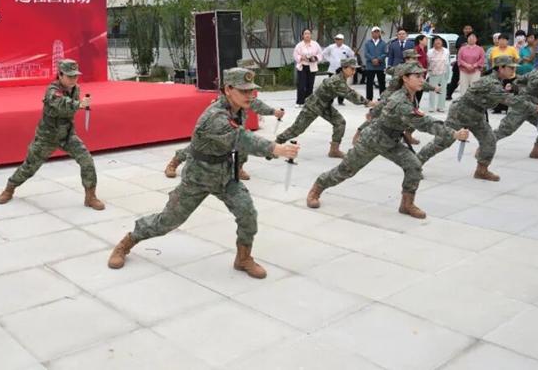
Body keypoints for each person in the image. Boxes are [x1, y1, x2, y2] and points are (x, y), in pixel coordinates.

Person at [107, 68, 300, 278]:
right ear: (228, 89)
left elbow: (249, 121)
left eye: (251, 90)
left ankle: (243, 258)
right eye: (244, 91)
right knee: (168, 221)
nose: (249, 95)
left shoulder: (239, 106)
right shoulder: (214, 117)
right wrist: (275, 149)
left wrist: (273, 128)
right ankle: (127, 242)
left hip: (225, 175)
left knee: (247, 213)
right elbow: (242, 138)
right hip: (198, 177)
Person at [306, 63, 468, 218]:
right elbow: (425, 123)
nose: (421, 80)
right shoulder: (401, 101)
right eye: (417, 76)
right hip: (373, 140)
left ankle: (407, 204)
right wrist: (453, 134)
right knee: (346, 170)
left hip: (392, 141)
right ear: (405, 78)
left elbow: (385, 105)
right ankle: (317, 188)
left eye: (422, 76)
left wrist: (373, 113)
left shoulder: (409, 95)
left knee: (414, 166)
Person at [417, 56, 538, 181]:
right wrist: (536, 108)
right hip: (461, 112)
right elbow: (510, 100)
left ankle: (481, 170)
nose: (513, 70)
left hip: (477, 114)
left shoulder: (497, 80)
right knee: (443, 141)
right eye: (511, 68)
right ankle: (415, 165)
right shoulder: (491, 83)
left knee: (489, 140)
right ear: (501, 68)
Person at [0, 59, 104, 209]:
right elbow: (60, 103)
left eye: (75, 76)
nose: (73, 79)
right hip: (47, 137)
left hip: (67, 135)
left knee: (86, 160)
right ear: (60, 75)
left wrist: (79, 104)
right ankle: (10, 188)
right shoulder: (52, 90)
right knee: (29, 167)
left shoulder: (75, 88)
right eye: (70, 76)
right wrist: (79, 104)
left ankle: (90, 196)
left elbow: (69, 109)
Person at [276, 58, 376, 158]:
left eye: (355, 69)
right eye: (352, 69)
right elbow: (350, 94)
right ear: (344, 68)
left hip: (324, 105)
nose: (354, 72)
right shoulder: (337, 80)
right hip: (313, 105)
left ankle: (334, 150)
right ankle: (276, 144)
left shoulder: (341, 78)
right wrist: (368, 102)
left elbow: (349, 92)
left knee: (340, 122)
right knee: (297, 129)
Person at [164, 99, 285, 180]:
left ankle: (238, 168)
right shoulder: (222, 103)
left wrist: (273, 111)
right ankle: (175, 161)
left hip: (237, 128)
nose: (246, 93)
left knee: (244, 143)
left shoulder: (244, 96)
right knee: (201, 148)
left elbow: (256, 104)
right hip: (218, 131)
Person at [486, 33, 520, 113]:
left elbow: (517, 60)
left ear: (507, 41)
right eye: (500, 40)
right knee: (498, 90)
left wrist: (511, 69)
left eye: (504, 40)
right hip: (497, 74)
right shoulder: (494, 50)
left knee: (509, 91)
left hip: (509, 75)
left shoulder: (512, 49)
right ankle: (497, 108)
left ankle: (508, 108)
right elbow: (490, 61)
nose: (502, 41)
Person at [321, 34, 356, 104]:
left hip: (342, 70)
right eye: (337, 39)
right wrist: (329, 60)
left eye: (340, 39)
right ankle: (330, 100)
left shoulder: (346, 48)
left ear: (342, 40)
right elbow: (324, 53)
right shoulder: (331, 47)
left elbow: (352, 55)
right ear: (335, 40)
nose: (338, 41)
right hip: (332, 69)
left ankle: (340, 101)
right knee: (331, 86)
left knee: (342, 86)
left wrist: (348, 64)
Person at [293, 29, 323, 107]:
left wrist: (315, 58)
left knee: (310, 85)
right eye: (305, 34)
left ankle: (308, 101)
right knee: (301, 85)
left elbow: (320, 54)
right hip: (302, 66)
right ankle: (300, 102)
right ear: (303, 35)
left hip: (312, 67)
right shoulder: (299, 45)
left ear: (311, 35)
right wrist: (301, 57)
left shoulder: (315, 44)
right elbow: (295, 55)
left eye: (309, 33)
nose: (307, 35)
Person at [447, 25, 473, 99]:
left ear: (472, 30)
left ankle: (470, 97)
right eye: (466, 29)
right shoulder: (460, 38)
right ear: (463, 30)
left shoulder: (475, 38)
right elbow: (458, 48)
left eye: (469, 29)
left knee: (471, 81)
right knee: (454, 80)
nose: (467, 30)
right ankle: (448, 94)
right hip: (460, 63)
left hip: (471, 64)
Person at [363, 26, 388, 101]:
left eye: (377, 32)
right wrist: (373, 59)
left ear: (379, 33)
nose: (376, 33)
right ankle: (369, 99)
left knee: (382, 83)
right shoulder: (367, 43)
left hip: (380, 66)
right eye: (374, 32)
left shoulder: (383, 43)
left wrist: (378, 59)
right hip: (370, 66)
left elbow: (385, 53)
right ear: (372, 33)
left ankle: (382, 99)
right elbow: (366, 53)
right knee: (369, 83)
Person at [426, 36, 450, 112]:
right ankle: (431, 107)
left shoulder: (446, 51)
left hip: (444, 72)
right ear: (433, 43)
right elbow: (428, 62)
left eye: (439, 40)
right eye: (436, 40)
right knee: (432, 90)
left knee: (443, 90)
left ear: (442, 42)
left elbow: (447, 62)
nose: (438, 42)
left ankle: (441, 107)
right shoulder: (430, 51)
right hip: (433, 73)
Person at [413, 34, 429, 105]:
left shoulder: (424, 50)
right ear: (420, 41)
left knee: (420, 90)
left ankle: (417, 105)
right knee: (416, 91)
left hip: (423, 73)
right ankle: (415, 106)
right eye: (425, 39)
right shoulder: (416, 49)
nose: (427, 41)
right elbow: (414, 61)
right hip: (417, 73)